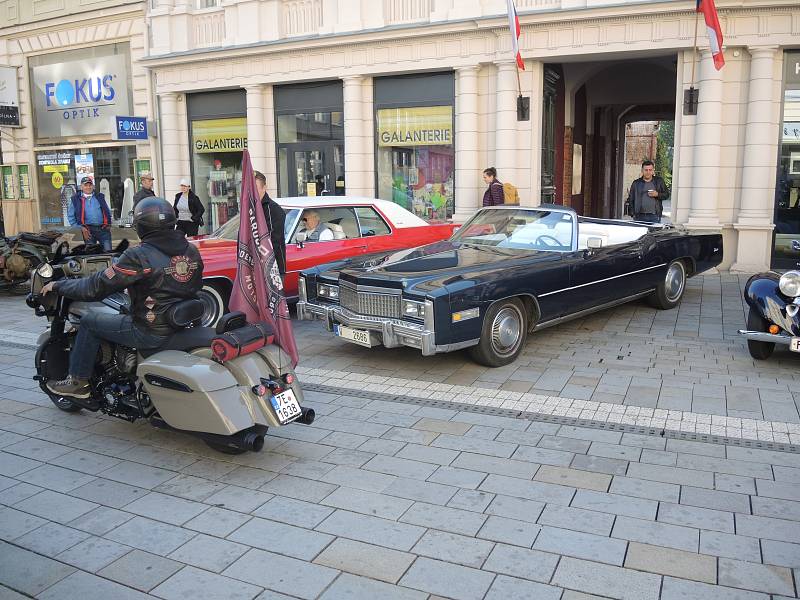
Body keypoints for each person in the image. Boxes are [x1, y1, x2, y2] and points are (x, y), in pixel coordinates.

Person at [41, 197, 204, 401]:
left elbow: (94, 288)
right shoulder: (190, 250)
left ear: (141, 225)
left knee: (90, 322)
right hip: (183, 322)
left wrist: (58, 285)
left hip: (151, 330)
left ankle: (78, 382)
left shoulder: (139, 255)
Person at [254, 170, 286, 276]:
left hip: (273, 269)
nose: (252, 192)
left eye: (256, 189)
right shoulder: (249, 208)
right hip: (253, 268)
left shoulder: (274, 210)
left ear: (264, 188)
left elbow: (273, 242)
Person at [69, 176, 113, 251]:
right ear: (81, 187)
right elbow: (71, 217)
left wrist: (109, 223)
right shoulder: (76, 199)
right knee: (91, 255)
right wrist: (81, 228)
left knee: (108, 252)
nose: (88, 187)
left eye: (90, 185)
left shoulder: (99, 196)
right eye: (86, 185)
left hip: (103, 229)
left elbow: (107, 211)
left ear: (93, 186)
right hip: (88, 231)